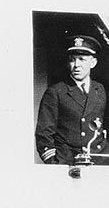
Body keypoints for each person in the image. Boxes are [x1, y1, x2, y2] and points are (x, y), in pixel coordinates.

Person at [36, 34, 109, 165]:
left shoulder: (100, 89)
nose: (76, 65)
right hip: (68, 162)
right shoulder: (56, 92)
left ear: (93, 63)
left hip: (99, 159)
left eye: (82, 59)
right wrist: (55, 163)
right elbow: (44, 135)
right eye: (72, 60)